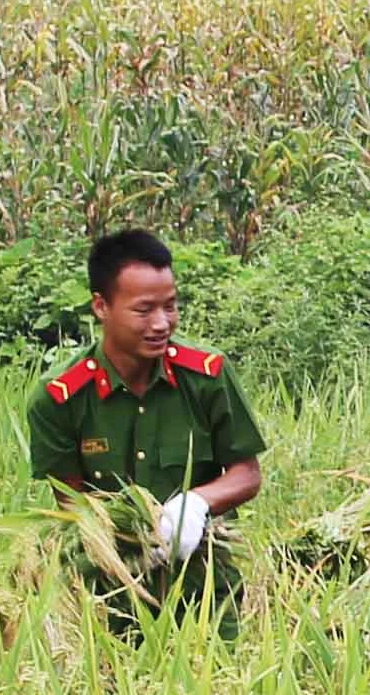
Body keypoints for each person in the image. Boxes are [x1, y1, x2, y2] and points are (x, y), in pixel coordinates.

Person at [27, 227, 265, 630]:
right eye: (143, 310)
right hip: (108, 593)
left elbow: (247, 474)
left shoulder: (207, 377)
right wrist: (128, 539)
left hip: (205, 586)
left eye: (170, 306)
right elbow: (71, 504)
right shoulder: (60, 398)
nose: (161, 323)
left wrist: (196, 504)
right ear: (101, 306)